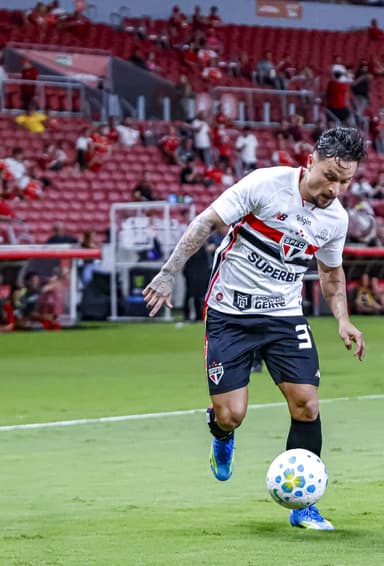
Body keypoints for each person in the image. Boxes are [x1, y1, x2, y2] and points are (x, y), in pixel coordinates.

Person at [143, 128, 368, 531]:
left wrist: (343, 319)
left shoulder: (335, 219)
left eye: (345, 181)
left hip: (283, 316)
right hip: (230, 313)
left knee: (307, 405)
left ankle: (304, 507)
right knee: (232, 415)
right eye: (330, 176)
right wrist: (167, 274)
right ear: (311, 160)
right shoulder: (266, 184)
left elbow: (331, 274)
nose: (335, 188)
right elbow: (205, 223)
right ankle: (221, 434)